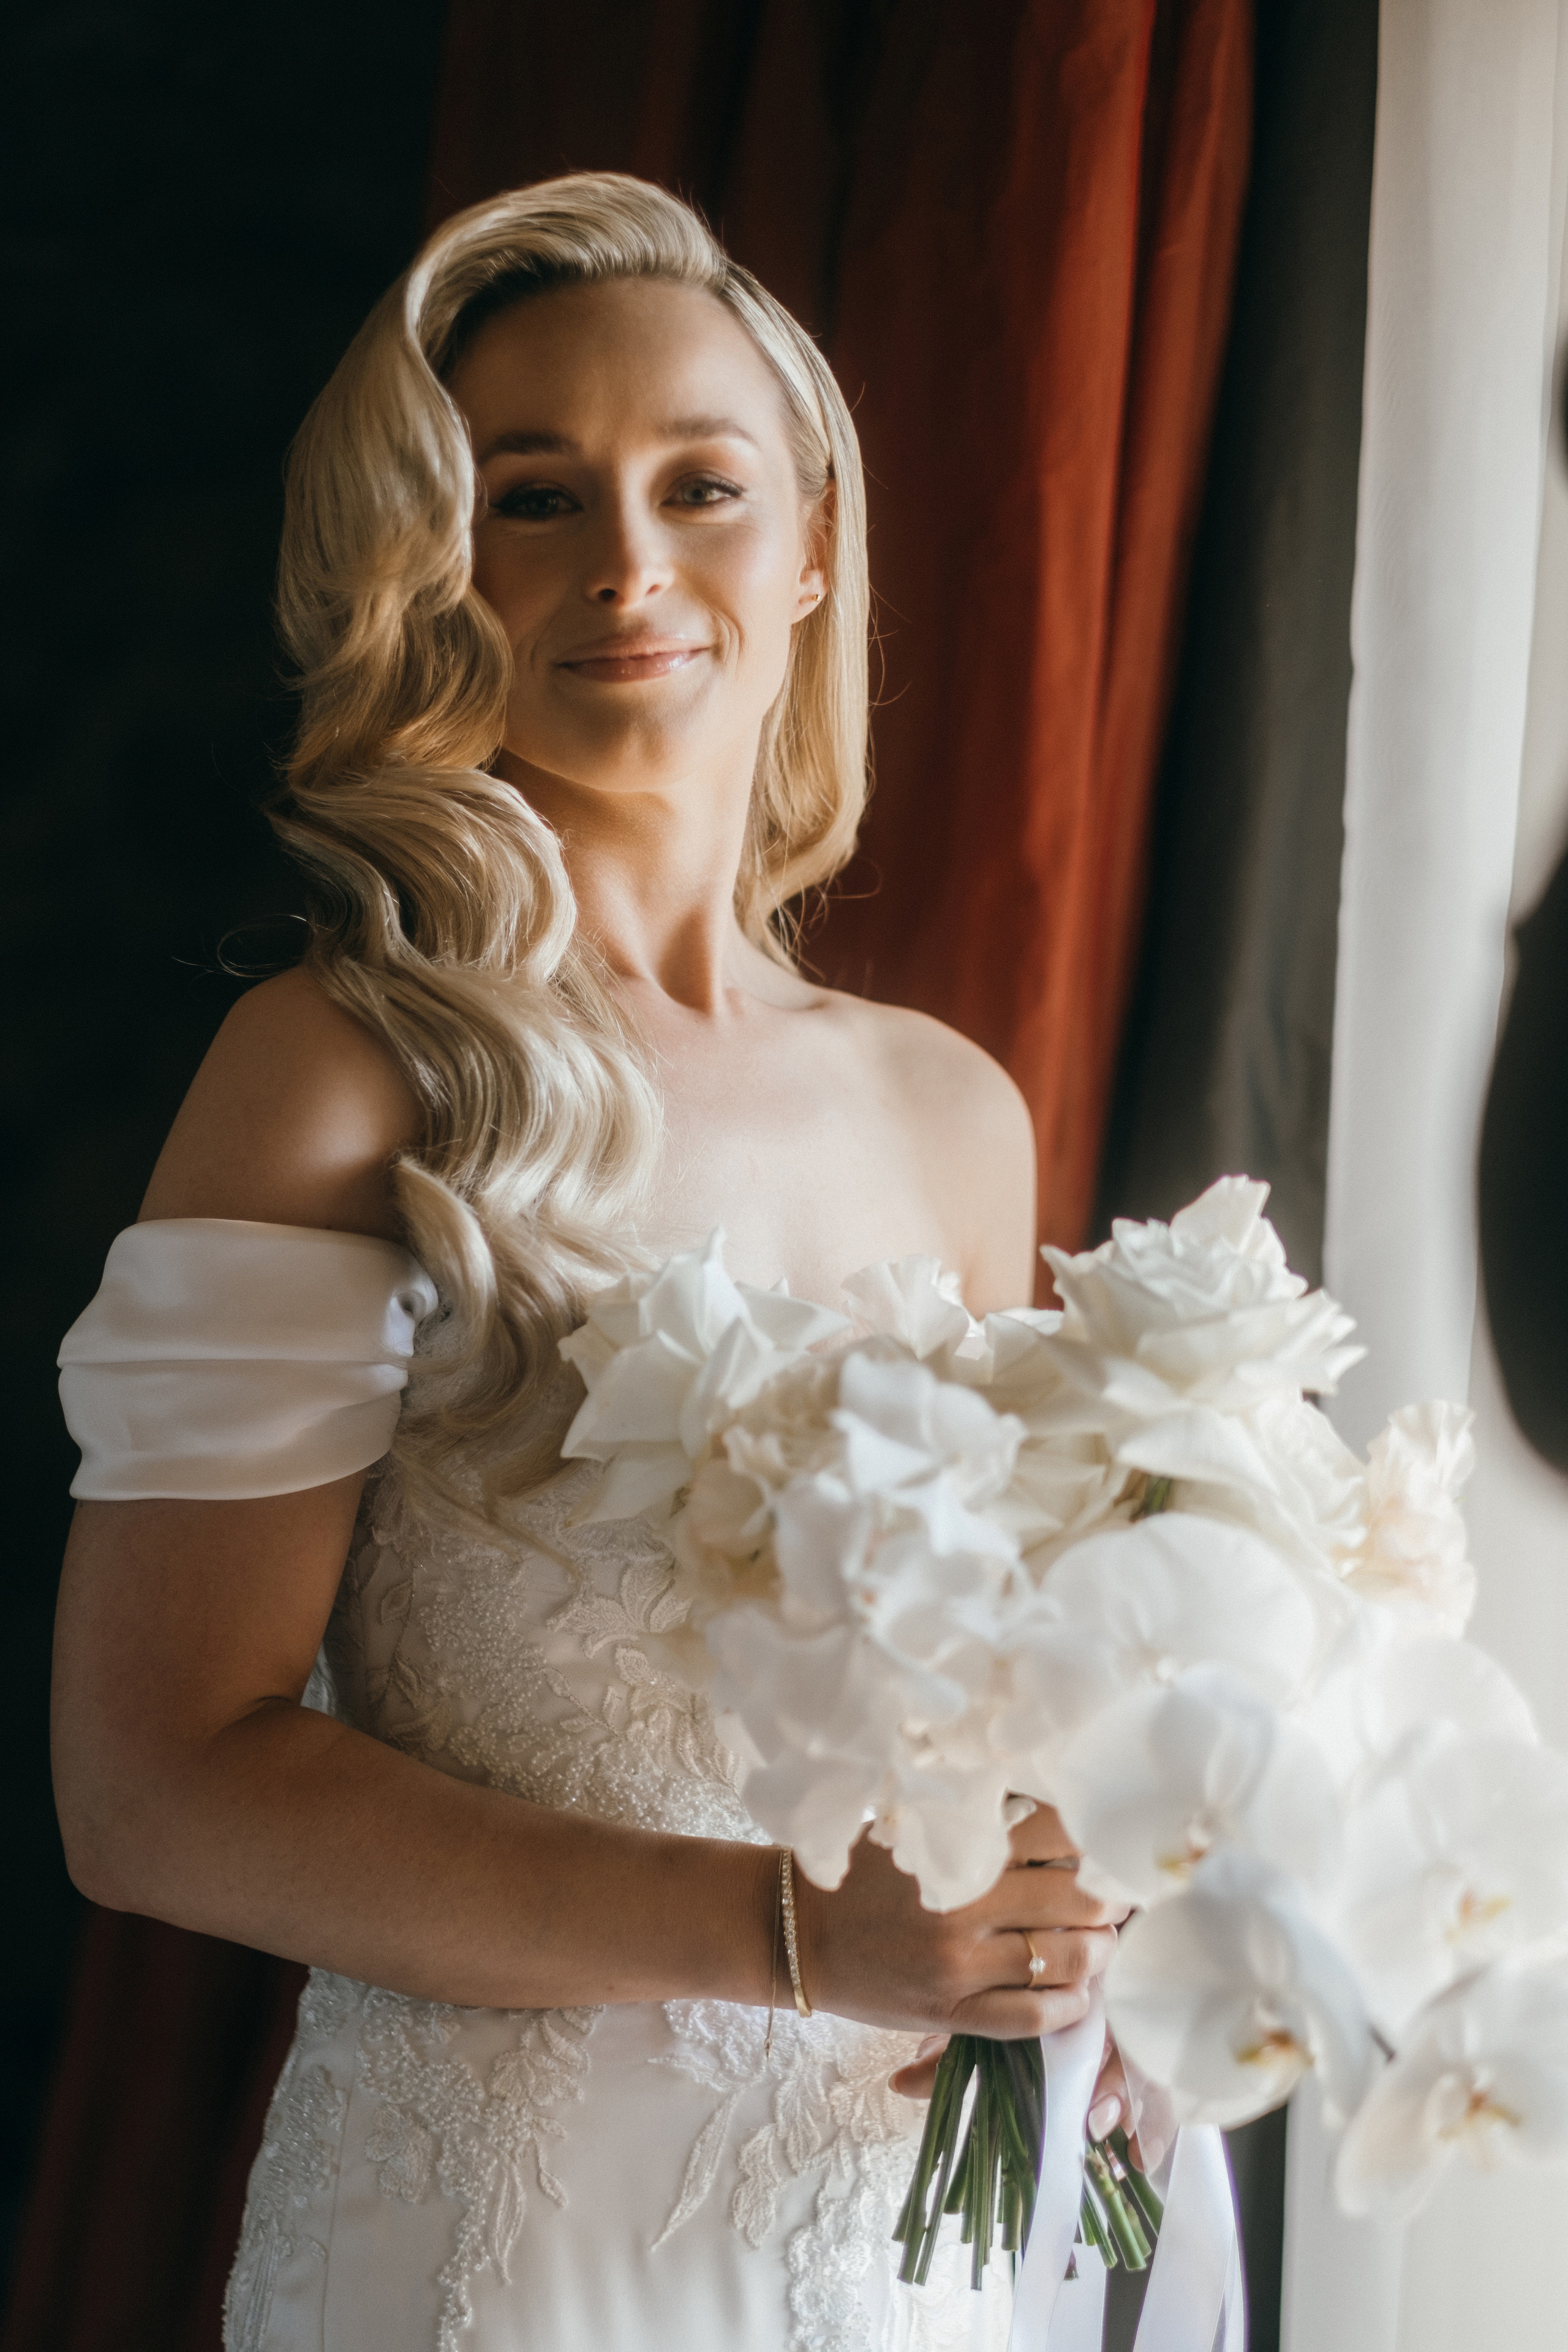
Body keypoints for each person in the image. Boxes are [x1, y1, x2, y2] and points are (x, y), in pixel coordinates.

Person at [51, 175, 1126, 2352]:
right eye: (534, 499)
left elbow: (969, 1702)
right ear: (438, 571)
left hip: (885, 2244)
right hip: (506, 2262)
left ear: (811, 540)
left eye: (701, 486)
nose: (632, 564)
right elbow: (153, 1788)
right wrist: (784, 1936)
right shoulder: (342, 1078)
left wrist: (1086, 1908)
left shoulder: (954, 1109)